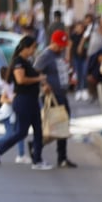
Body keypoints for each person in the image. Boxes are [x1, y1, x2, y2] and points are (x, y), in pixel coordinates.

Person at [0, 35, 52, 170]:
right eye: (33, 48)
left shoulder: (27, 61)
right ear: (26, 48)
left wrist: (42, 84)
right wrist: (39, 79)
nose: (34, 51)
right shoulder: (19, 62)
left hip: (32, 100)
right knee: (21, 132)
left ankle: (37, 160)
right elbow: (21, 80)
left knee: (38, 131)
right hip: (23, 100)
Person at [35, 29, 77, 168]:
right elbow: (35, 72)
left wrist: (69, 49)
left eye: (63, 46)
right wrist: (44, 84)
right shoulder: (46, 55)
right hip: (52, 95)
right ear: (53, 42)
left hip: (62, 94)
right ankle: (37, 148)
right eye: (59, 45)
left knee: (63, 125)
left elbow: (67, 66)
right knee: (54, 126)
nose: (61, 47)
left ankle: (62, 157)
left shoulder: (60, 54)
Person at [0, 66, 29, 164]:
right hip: (8, 114)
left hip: (15, 113)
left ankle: (21, 155)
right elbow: (2, 99)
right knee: (10, 135)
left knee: (20, 134)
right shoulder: (7, 85)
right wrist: (13, 100)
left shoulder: (13, 84)